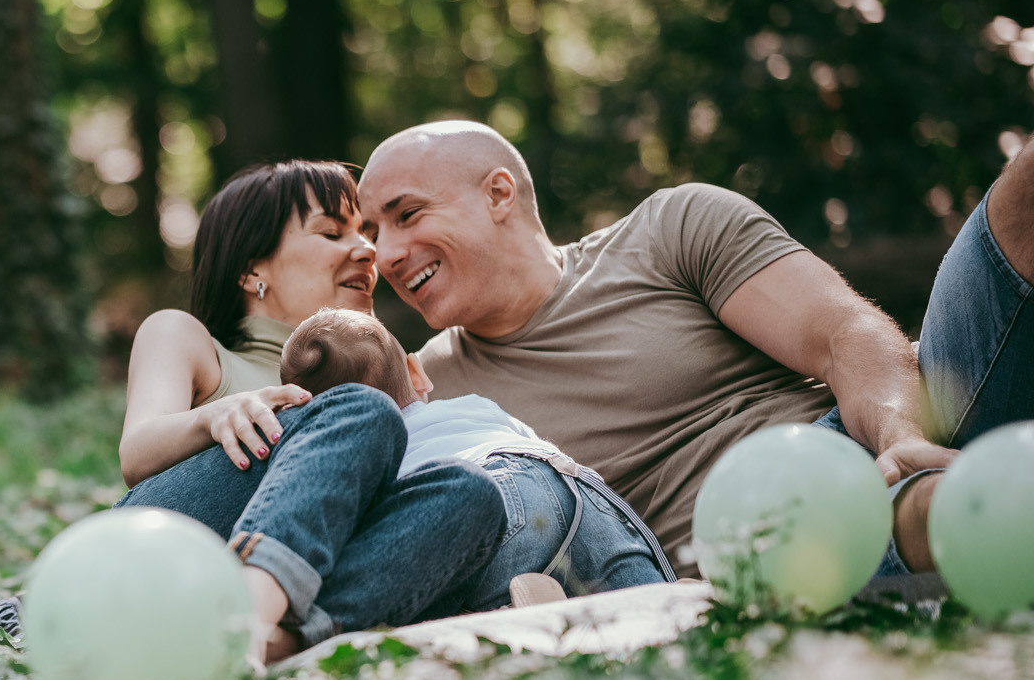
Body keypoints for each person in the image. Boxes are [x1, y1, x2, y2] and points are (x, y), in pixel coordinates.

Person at [358, 120, 1033, 580]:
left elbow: (839, 333)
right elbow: (320, 457)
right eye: (371, 232)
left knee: (1020, 202)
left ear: (498, 193)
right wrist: (252, 405)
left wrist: (897, 434)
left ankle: (954, 492)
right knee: (923, 508)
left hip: (886, 431)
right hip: (763, 539)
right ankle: (968, 506)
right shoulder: (422, 385)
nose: (384, 254)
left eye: (407, 215)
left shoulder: (669, 230)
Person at [118, 160, 504, 664]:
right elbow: (137, 450)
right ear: (252, 269)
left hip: (280, 581)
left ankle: (283, 642)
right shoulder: (188, 338)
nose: (368, 250)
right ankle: (247, 623)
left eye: (364, 234)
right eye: (331, 232)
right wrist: (214, 416)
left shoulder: (385, 377)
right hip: (162, 544)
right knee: (362, 411)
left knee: (471, 492)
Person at [281, 308, 672, 608]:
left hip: (490, 495)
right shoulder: (473, 406)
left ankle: (526, 613)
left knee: (457, 590)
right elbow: (529, 447)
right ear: (416, 373)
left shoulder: (364, 455)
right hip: (565, 480)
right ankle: (670, 608)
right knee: (630, 590)